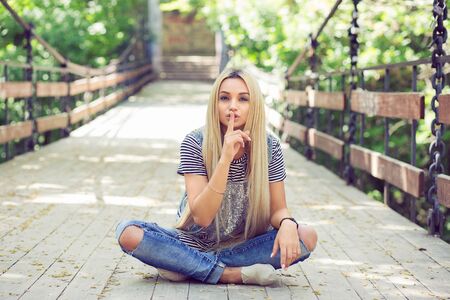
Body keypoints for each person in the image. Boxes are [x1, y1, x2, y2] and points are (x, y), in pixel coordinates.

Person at [115, 68, 317, 285]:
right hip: (193, 242)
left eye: (243, 99)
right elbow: (202, 217)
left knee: (306, 235)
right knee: (128, 232)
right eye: (224, 98)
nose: (232, 106)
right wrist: (225, 159)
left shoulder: (270, 146)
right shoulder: (194, 142)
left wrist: (287, 223)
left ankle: (187, 265)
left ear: (254, 105)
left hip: (245, 246)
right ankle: (232, 273)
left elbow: (278, 209)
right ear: (215, 103)